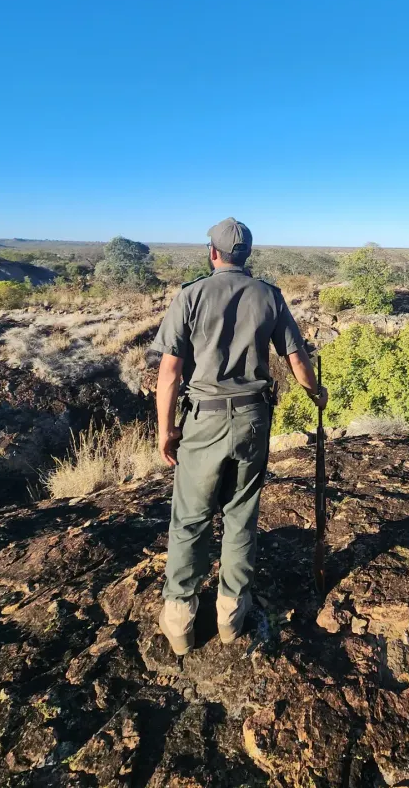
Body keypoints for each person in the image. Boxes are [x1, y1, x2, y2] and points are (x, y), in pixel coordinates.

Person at [151, 217, 328, 655]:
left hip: (203, 420)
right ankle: (231, 614)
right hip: (252, 418)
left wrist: (165, 430)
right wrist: (315, 393)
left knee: (190, 517)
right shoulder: (269, 295)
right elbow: (296, 357)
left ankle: (180, 620)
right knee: (240, 513)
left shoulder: (190, 296)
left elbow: (169, 373)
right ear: (246, 255)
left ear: (212, 253)